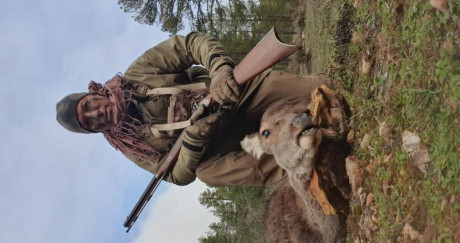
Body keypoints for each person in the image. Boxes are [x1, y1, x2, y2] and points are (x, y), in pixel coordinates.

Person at [56, 32, 331, 187]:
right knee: (207, 174)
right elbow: (176, 175)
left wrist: (221, 71)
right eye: (89, 122)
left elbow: (191, 44)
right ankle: (306, 163)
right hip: (225, 143)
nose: (96, 114)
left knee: (325, 90)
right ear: (94, 130)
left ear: (94, 94)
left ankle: (310, 125)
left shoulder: (137, 73)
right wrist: (192, 141)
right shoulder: (131, 147)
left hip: (239, 95)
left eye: (89, 106)